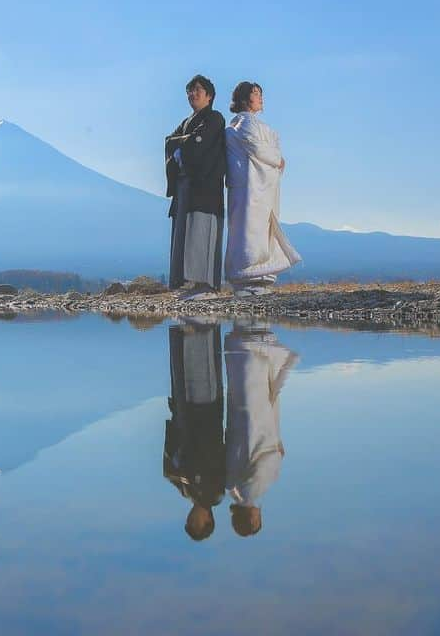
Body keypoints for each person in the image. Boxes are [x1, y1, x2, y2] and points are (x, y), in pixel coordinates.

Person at [224, 82, 301, 296]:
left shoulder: (248, 126)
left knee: (251, 229)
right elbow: (257, 147)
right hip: (250, 187)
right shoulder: (244, 123)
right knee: (249, 229)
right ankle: (248, 274)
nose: (260, 98)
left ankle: (256, 275)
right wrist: (277, 159)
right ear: (244, 98)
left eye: (260, 94)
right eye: (256, 93)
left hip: (255, 186)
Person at [223, 321, 298, 537]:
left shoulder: (251, 490)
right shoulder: (231, 487)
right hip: (238, 427)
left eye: (257, 519)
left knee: (255, 388)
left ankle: (255, 340)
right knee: (242, 387)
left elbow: (269, 462)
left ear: (252, 518)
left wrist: (277, 452)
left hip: (256, 428)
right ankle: (245, 345)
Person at [165, 75, 227, 296]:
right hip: (186, 186)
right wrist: (184, 143)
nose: (193, 94)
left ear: (209, 96)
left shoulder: (215, 118)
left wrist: (182, 145)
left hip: (205, 186)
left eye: (198, 90)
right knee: (185, 230)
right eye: (190, 90)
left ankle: (205, 284)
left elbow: (192, 144)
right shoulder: (186, 122)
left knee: (202, 229)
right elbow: (169, 141)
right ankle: (188, 282)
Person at [163, 322, 226, 541]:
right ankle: (202, 326)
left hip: (187, 419)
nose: (190, 518)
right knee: (200, 369)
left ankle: (189, 325)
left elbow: (170, 469)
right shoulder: (215, 492)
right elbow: (213, 454)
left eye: (189, 522)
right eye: (195, 523)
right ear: (207, 519)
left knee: (183, 372)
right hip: (205, 417)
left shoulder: (188, 492)